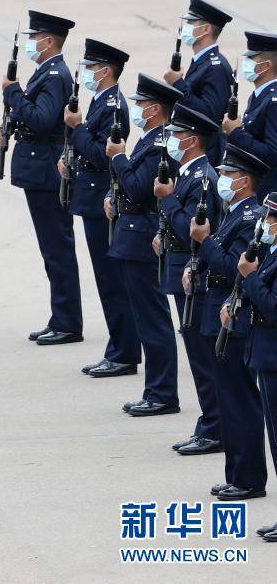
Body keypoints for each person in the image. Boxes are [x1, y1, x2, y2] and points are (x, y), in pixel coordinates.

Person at [0, 10, 82, 345]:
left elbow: (45, 121)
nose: (31, 44)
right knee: (52, 249)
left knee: (57, 249)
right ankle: (60, 317)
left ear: (49, 41)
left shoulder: (55, 75)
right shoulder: (47, 73)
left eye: (35, 39)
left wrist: (13, 93)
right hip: (39, 170)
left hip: (47, 172)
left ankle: (67, 321)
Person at [191, 146, 268, 495]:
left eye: (229, 174)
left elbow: (235, 267)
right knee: (228, 397)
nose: (222, 179)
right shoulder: (233, 212)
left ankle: (249, 478)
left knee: (240, 398)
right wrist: (198, 264)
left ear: (244, 180)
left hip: (235, 316)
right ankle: (237, 475)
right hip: (217, 310)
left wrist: (205, 244)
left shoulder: (251, 218)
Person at [103, 75, 182, 410]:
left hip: (142, 235)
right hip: (131, 233)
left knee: (153, 319)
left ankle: (162, 393)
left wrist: (118, 158)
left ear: (154, 109)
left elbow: (139, 188)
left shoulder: (160, 143)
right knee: (146, 316)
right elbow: (128, 185)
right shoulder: (150, 138)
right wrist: (112, 195)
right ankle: (154, 391)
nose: (135, 109)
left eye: (140, 104)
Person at [61, 39, 138, 374]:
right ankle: (118, 348)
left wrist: (77, 131)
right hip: (90, 198)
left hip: (101, 201)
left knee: (112, 280)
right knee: (107, 280)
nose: (88, 73)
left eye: (92, 68)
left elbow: (104, 156)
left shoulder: (114, 106)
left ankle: (123, 353)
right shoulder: (100, 101)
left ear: (106, 71)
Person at [148, 106, 222, 451]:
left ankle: (214, 427)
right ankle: (210, 423)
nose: (172, 141)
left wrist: (168, 200)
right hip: (180, 269)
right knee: (196, 352)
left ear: (192, 141)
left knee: (201, 355)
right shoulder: (189, 173)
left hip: (194, 276)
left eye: (177, 136)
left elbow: (196, 233)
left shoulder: (201, 178)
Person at [237, 193, 277, 538]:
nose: (265, 224)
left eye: (271, 220)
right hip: (266, 355)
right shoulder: (270, 253)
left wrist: (250, 277)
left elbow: (274, 308)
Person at [163, 0, 234, 167]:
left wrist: (177, 85)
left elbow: (208, 114)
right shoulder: (202, 62)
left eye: (192, 23)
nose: (186, 28)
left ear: (206, 29)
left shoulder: (216, 67)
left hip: (206, 150)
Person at [223, 31, 277, 199]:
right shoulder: (259, 96)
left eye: (251, 59)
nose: (247, 63)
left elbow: (273, 154)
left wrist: (236, 133)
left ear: (266, 65)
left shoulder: (273, 101)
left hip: (266, 192)